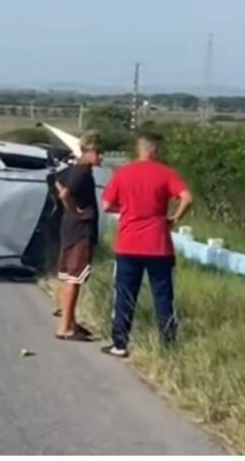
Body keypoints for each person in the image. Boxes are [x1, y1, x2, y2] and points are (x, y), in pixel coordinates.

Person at [101, 133, 194, 358]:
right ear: (154, 150)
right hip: (158, 245)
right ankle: (167, 346)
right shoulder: (166, 173)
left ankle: (120, 343)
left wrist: (126, 210)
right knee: (163, 297)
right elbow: (187, 198)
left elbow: (106, 205)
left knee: (124, 295)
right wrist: (175, 218)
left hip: (128, 245)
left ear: (139, 149)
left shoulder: (122, 173)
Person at [54, 132, 103, 341]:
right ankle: (65, 327)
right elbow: (65, 193)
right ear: (87, 151)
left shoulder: (73, 169)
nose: (101, 156)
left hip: (69, 229)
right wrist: (76, 211)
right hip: (80, 231)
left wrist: (68, 209)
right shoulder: (82, 172)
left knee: (68, 277)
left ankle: (69, 321)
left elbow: (55, 180)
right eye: (98, 152)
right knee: (75, 278)